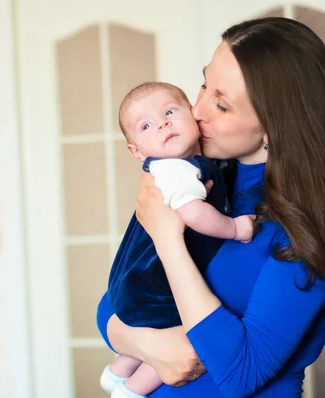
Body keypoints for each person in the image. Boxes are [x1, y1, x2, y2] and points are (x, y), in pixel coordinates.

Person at [97, 17, 325, 397]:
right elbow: (114, 304)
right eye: (203, 84)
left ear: (274, 125)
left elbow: (240, 373)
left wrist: (167, 239)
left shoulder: (307, 224)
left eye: (222, 104)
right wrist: (154, 347)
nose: (196, 110)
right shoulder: (201, 178)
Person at [101, 82, 254, 398]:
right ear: (136, 150)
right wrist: (235, 228)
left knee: (157, 329)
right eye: (147, 125)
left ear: (191, 117)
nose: (162, 124)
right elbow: (196, 215)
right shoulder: (176, 171)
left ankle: (118, 371)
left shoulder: (175, 168)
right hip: (154, 285)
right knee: (181, 334)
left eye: (170, 111)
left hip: (137, 282)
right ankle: (130, 390)